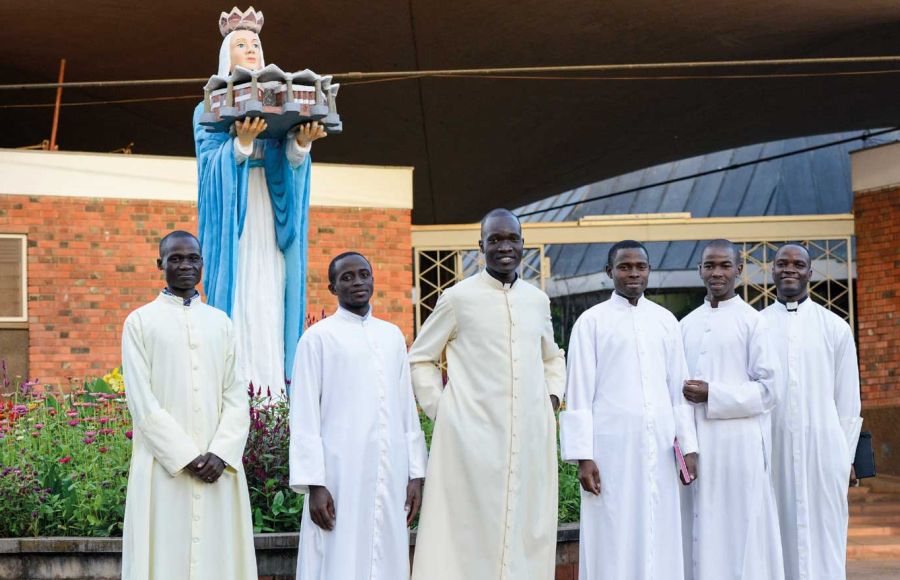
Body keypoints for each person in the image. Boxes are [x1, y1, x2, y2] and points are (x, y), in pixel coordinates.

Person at [409, 208, 565, 580]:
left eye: (511, 239)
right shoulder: (457, 298)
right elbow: (420, 359)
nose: (504, 247)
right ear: (481, 246)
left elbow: (552, 356)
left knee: (526, 531)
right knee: (468, 536)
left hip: (528, 439)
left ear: (523, 245)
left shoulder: (537, 300)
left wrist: (552, 400)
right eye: (495, 240)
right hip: (470, 442)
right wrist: (445, 411)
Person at [193, 6, 327, 396]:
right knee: (242, 295)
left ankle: (273, 396)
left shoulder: (277, 98)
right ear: (226, 55)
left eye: (255, 43)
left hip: (270, 212)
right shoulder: (206, 109)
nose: (250, 49)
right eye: (241, 44)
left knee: (270, 294)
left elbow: (288, 164)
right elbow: (210, 166)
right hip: (234, 218)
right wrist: (243, 143)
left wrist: (300, 144)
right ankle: (238, 395)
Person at [121, 230, 256, 580]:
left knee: (220, 560)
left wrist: (221, 452)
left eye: (193, 258)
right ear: (160, 263)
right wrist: (186, 456)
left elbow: (236, 396)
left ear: (202, 264)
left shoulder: (221, 323)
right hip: (163, 469)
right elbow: (141, 400)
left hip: (219, 469)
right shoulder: (140, 322)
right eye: (176, 258)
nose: (185, 265)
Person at [561, 240, 698, 579]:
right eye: (625, 266)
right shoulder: (590, 323)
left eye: (640, 267)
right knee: (613, 533)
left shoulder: (666, 321)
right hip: (610, 451)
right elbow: (577, 392)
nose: (633, 273)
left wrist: (689, 447)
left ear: (649, 271)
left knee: (660, 528)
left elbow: (677, 390)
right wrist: (583, 456)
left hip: (661, 448)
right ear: (610, 272)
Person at [289, 251, 428, 579]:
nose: (357, 282)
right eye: (347, 277)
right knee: (338, 555)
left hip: (390, 471)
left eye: (363, 274)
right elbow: (304, 414)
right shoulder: (317, 338)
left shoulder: (391, 335)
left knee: (387, 552)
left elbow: (406, 407)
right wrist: (315, 484)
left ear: (373, 279)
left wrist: (416, 473)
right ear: (332, 287)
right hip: (339, 474)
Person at [679, 239, 784, 580]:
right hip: (696, 446)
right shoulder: (685, 325)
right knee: (699, 528)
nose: (717, 272)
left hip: (740, 446)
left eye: (725, 265)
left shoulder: (754, 322)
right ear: (699, 271)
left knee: (741, 530)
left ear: (739, 270)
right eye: (709, 265)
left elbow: (770, 390)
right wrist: (686, 445)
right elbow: (675, 392)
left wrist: (714, 394)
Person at [762, 243, 862, 580]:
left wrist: (845, 457)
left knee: (825, 534)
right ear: (771, 270)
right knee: (772, 533)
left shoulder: (835, 327)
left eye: (798, 264)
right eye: (782, 263)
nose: (789, 269)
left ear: (809, 272)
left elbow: (848, 398)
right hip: (770, 448)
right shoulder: (755, 326)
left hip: (823, 449)